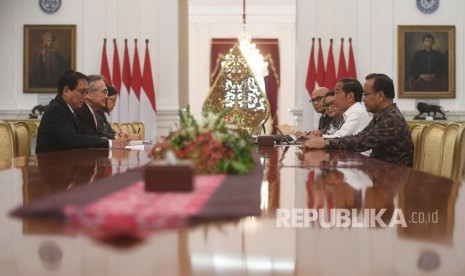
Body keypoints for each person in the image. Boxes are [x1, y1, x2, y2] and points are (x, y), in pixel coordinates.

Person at [303, 73, 414, 167]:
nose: (363, 99)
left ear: (380, 95)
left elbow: (360, 142)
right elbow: (359, 137)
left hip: (392, 179)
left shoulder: (391, 119)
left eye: (365, 94)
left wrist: (325, 143)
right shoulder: (382, 116)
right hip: (380, 172)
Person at [36, 70, 129, 154]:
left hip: (66, 163)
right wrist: (111, 143)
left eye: (86, 92)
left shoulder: (68, 108)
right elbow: (73, 139)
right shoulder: (56, 110)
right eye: (82, 92)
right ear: (66, 91)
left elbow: (83, 137)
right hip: (51, 165)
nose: (85, 97)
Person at [297, 78, 371, 141]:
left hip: (359, 157)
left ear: (350, 96)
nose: (334, 98)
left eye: (337, 93)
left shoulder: (357, 113)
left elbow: (339, 138)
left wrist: (313, 138)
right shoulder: (350, 113)